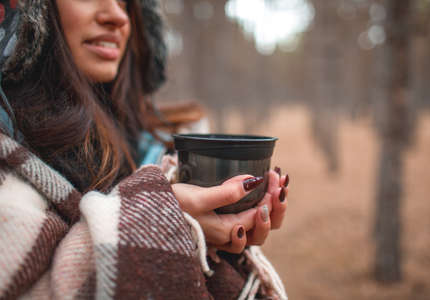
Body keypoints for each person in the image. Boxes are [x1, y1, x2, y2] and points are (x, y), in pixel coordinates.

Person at [0, 0, 289, 299]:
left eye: (125, 2)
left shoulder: (164, 147)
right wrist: (160, 216)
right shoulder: (8, 162)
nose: (117, 16)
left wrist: (217, 232)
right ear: (27, 15)